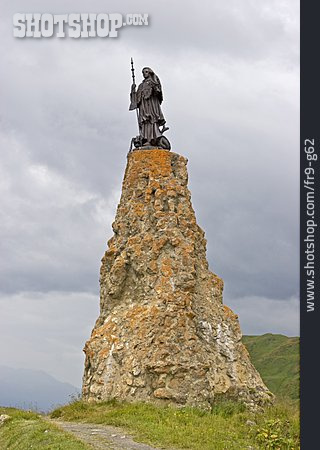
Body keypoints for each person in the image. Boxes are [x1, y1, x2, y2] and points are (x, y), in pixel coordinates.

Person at [129, 67, 169, 147]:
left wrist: (154, 88)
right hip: (143, 106)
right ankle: (146, 139)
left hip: (152, 105)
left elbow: (158, 93)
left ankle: (153, 139)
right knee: (145, 122)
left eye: (146, 72)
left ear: (150, 72)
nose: (144, 74)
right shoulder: (141, 86)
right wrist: (133, 90)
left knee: (152, 121)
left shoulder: (153, 82)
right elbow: (136, 100)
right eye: (143, 72)